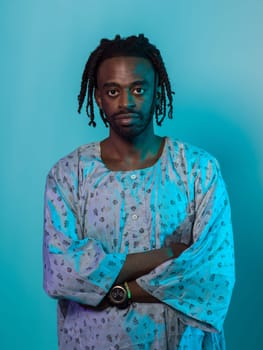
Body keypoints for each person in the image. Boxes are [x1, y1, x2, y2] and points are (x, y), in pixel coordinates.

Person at [43, 34, 235, 349]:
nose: (127, 102)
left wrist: (119, 290)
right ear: (98, 97)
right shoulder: (69, 175)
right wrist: (167, 255)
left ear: (157, 92)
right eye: (113, 91)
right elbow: (62, 273)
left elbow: (212, 276)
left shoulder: (198, 170)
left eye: (138, 89)